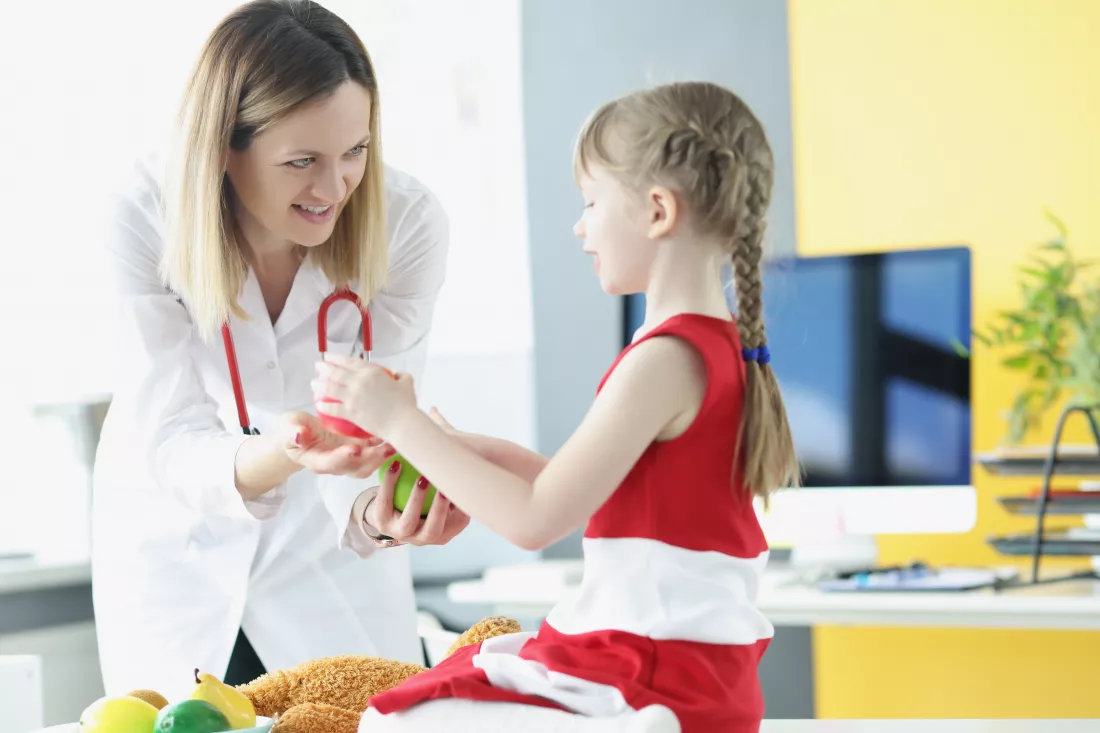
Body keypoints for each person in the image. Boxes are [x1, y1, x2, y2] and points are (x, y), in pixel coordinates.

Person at [314, 81, 802, 733]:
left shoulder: (663, 360)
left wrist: (396, 417)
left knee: (391, 720)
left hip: (653, 672)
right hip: (700, 672)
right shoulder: (716, 348)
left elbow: (536, 519)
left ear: (658, 210)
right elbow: (602, 493)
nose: (580, 224)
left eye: (592, 200)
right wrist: (464, 451)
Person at [91, 0, 470, 700]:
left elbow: (382, 424)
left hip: (329, 556)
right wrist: (296, 445)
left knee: (355, 713)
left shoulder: (408, 222)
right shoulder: (143, 215)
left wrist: (376, 510)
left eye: (355, 152)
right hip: (178, 544)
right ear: (226, 149)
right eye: (302, 161)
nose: (334, 189)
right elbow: (172, 437)